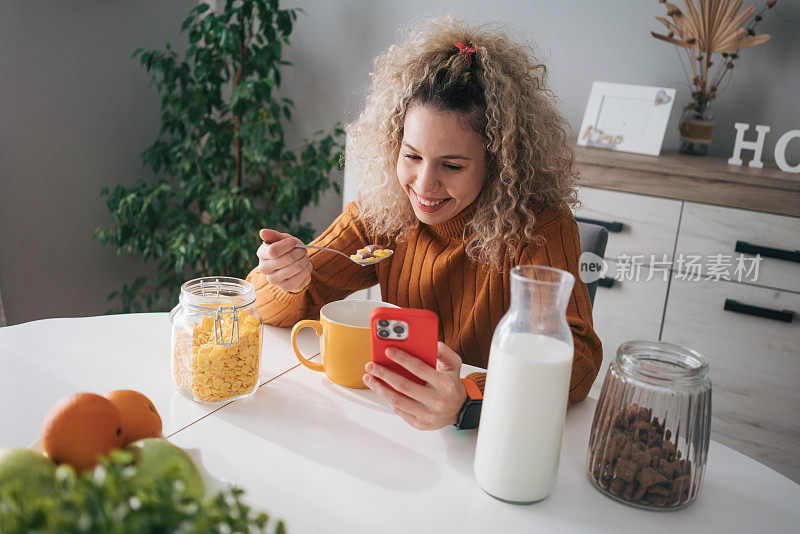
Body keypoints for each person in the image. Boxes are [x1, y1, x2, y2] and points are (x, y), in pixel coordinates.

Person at [247, 16, 602, 431]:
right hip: (397, 430)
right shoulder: (384, 212)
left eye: (451, 165)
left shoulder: (538, 226)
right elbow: (274, 303)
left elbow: (576, 356)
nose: (424, 185)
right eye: (412, 156)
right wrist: (280, 277)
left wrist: (472, 398)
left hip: (497, 434)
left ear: (499, 163)